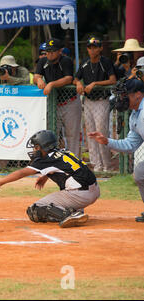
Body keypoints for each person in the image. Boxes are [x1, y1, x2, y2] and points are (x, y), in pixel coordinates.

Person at [0, 130, 99, 228]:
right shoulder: (62, 151)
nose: (35, 150)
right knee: (59, 198)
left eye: (37, 147)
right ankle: (75, 209)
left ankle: (69, 214)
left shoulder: (44, 159)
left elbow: (21, 173)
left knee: (34, 210)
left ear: (44, 147)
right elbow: (67, 168)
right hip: (93, 190)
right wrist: (45, 176)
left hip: (80, 195)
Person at [88, 78, 144, 223]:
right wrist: (107, 141)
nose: (121, 99)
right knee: (140, 173)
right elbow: (131, 144)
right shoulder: (135, 114)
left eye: (125, 95)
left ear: (138, 94)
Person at [73, 36, 117, 172]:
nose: (92, 50)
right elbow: (75, 78)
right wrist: (79, 83)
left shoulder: (105, 62)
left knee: (101, 133)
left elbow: (113, 80)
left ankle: (107, 166)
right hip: (88, 101)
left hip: (101, 101)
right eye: (90, 47)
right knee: (91, 134)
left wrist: (95, 83)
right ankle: (97, 165)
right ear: (87, 49)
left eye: (95, 47)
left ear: (100, 48)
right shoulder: (85, 62)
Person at [34, 37, 81, 158]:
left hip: (69, 102)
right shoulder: (42, 61)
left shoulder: (66, 61)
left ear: (60, 51)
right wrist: (39, 79)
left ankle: (74, 162)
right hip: (54, 104)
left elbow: (68, 78)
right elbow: (36, 76)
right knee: (52, 135)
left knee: (72, 135)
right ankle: (55, 162)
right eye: (48, 51)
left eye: (53, 51)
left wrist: (51, 84)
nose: (49, 53)